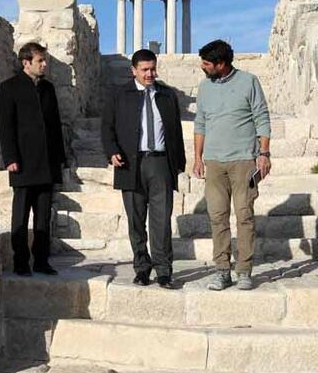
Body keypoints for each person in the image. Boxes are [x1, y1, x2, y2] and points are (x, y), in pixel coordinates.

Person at [101, 49, 186, 289]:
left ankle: (164, 271)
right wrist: (111, 151)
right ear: (134, 71)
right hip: (130, 164)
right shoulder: (119, 95)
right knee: (136, 221)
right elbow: (107, 127)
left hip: (160, 163)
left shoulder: (167, 95)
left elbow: (176, 131)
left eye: (153, 69)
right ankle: (141, 268)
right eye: (145, 70)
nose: (150, 74)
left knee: (162, 220)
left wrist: (178, 163)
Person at [192, 39, 271, 291]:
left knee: (244, 215)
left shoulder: (249, 82)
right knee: (217, 217)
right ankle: (222, 271)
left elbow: (262, 117)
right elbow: (200, 123)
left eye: (207, 63)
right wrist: (197, 158)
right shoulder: (204, 87)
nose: (203, 67)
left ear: (221, 63)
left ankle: (244, 271)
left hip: (244, 161)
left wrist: (264, 153)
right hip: (214, 163)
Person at [0, 42, 66, 276]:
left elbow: (55, 125)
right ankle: (20, 262)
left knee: (43, 215)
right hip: (23, 162)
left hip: (47, 161)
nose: (44, 64)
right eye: (40, 61)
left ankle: (42, 261)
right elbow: (5, 126)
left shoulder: (48, 88)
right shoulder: (9, 88)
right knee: (21, 214)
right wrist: (10, 158)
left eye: (44, 60)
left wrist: (60, 157)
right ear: (26, 63)